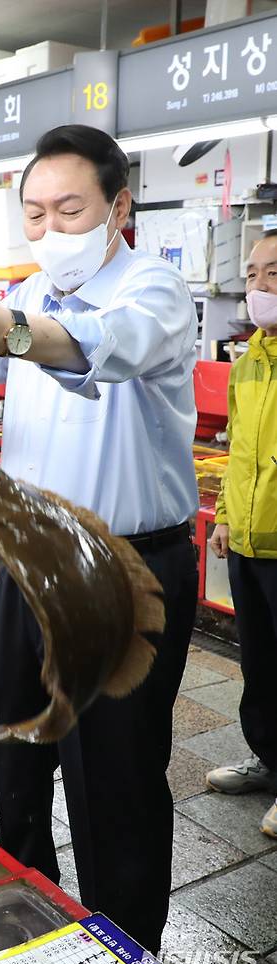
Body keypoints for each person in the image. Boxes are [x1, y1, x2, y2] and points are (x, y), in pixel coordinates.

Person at [0, 124, 199, 953]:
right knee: (16, 764)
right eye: (34, 213)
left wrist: (11, 330)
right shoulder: (32, 293)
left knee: (115, 785)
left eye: (69, 210)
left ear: (118, 207)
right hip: (26, 571)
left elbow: (109, 349)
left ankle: (130, 951)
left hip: (124, 576)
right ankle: (33, 929)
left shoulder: (154, 292)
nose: (49, 230)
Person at [207, 231, 277, 840]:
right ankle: (269, 761)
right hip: (251, 541)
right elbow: (238, 452)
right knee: (259, 662)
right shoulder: (250, 357)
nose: (259, 287)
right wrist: (227, 515)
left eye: (272, 273)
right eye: (252, 274)